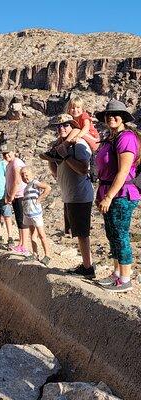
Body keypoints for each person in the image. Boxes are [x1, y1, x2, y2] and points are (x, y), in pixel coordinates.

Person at [94, 100, 140, 292]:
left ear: (123, 118)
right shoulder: (111, 138)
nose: (111, 117)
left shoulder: (126, 137)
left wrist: (109, 196)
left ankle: (126, 279)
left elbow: (123, 172)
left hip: (122, 194)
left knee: (121, 234)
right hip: (109, 192)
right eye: (108, 115)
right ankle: (116, 274)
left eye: (116, 114)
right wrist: (102, 194)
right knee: (112, 233)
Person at [47, 114, 95, 278]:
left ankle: (88, 268)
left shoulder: (79, 145)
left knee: (82, 233)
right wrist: (52, 159)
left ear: (73, 126)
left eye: (65, 125)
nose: (61, 128)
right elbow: (56, 173)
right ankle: (86, 265)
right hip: (70, 195)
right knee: (79, 232)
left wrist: (65, 156)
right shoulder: (62, 146)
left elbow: (83, 169)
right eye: (59, 126)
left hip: (80, 195)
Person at [40, 95, 99, 161]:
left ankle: (63, 147)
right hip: (85, 137)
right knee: (61, 137)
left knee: (75, 130)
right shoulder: (71, 119)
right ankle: (53, 150)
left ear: (82, 109)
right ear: (69, 109)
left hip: (94, 140)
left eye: (78, 107)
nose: (75, 110)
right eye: (73, 108)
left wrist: (78, 136)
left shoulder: (84, 115)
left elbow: (86, 127)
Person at [21, 166, 52, 265]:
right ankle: (35, 254)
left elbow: (47, 187)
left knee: (41, 234)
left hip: (35, 213)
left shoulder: (34, 183)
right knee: (32, 234)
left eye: (26, 174)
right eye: (22, 175)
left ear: (31, 174)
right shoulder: (26, 187)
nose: (25, 177)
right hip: (28, 213)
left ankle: (47, 255)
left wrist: (39, 199)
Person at [4, 144, 29, 253]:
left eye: (8, 153)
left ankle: (24, 245)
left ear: (13, 152)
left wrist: (11, 195)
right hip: (15, 195)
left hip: (20, 195)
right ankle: (21, 243)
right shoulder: (9, 164)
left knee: (22, 220)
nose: (6, 155)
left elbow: (17, 181)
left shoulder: (16, 163)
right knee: (19, 220)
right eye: (4, 154)